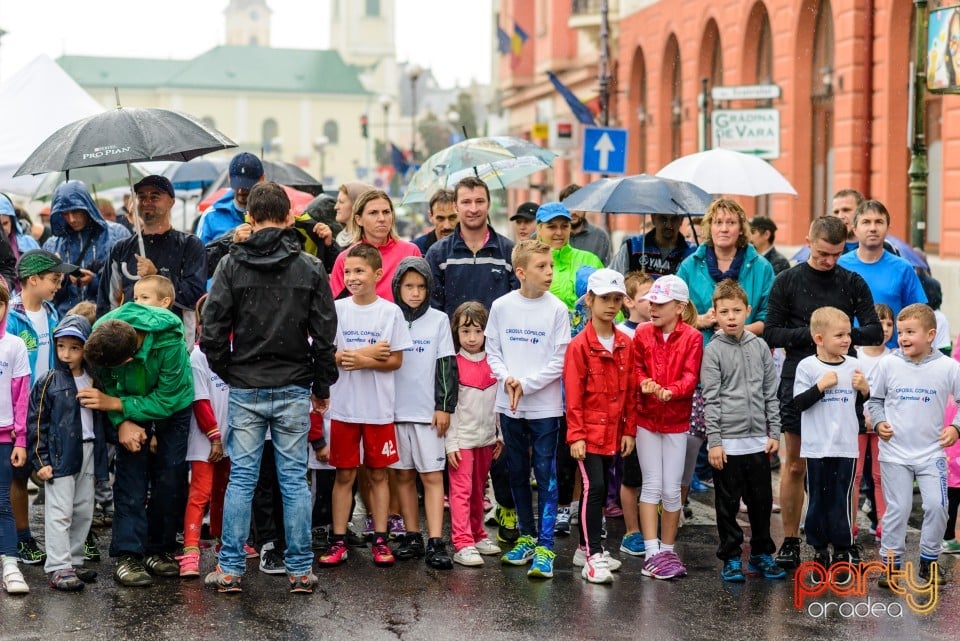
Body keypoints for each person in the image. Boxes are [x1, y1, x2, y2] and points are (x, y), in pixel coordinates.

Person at [201, 182, 337, 594]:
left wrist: (231, 372)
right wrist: (321, 384)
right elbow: (325, 334)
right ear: (289, 218)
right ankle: (299, 570)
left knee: (242, 479)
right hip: (294, 383)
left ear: (251, 219)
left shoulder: (230, 265)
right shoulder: (310, 267)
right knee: (294, 480)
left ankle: (230, 570)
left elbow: (211, 332)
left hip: (247, 384)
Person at [763, 215, 883, 569]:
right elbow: (771, 332)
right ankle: (789, 539)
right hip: (800, 376)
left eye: (836, 254)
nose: (829, 261)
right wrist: (815, 338)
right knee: (797, 464)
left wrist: (840, 339)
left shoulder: (852, 281)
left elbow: (875, 331)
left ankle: (842, 540)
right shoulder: (787, 280)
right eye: (821, 254)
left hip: (844, 381)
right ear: (808, 243)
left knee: (843, 466)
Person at [81, 301, 194, 587]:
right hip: (126, 408)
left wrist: (118, 404)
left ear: (129, 359)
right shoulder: (103, 336)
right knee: (130, 478)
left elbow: (168, 399)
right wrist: (122, 422)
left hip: (171, 407)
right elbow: (103, 385)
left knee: (169, 477)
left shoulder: (169, 340)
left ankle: (159, 547)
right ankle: (128, 554)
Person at [317, 244, 411, 569]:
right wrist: (369, 353)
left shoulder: (391, 312)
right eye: (348, 272)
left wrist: (359, 358)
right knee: (344, 475)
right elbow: (329, 354)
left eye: (359, 271)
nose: (353, 277)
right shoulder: (337, 309)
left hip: (378, 410)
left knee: (378, 475)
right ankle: (339, 539)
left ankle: (380, 538)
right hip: (343, 409)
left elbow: (396, 359)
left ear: (377, 273)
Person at [486, 239, 570, 580]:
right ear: (521, 272)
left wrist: (528, 384)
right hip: (510, 405)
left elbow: (559, 360)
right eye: (541, 267)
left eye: (551, 266)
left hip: (546, 407)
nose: (549, 272)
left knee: (546, 475)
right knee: (517, 472)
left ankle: (546, 546)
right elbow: (493, 350)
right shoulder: (502, 306)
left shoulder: (557, 310)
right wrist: (507, 379)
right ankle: (526, 537)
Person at [870, 303, 960, 586]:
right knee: (898, 508)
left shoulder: (949, 367)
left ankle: (929, 562)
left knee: (936, 506)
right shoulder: (888, 364)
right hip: (894, 453)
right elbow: (874, 401)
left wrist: (956, 427)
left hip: (931, 453)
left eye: (910, 332)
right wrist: (879, 422)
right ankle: (891, 565)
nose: (903, 338)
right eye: (901, 332)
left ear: (931, 334)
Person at [701, 279, 784, 582]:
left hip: (758, 442)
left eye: (737, 310)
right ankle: (732, 557)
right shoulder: (713, 351)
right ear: (716, 314)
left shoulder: (759, 346)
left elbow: (770, 392)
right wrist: (715, 442)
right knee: (727, 504)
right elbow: (710, 398)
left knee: (761, 502)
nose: (732, 317)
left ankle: (761, 553)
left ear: (748, 311)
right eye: (725, 311)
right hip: (728, 444)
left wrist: (774, 432)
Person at [532, 201, 602, 535]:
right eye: (551, 226)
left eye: (563, 226)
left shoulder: (587, 261)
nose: (558, 232)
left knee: (576, 439)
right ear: (539, 227)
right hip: (542, 365)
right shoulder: (532, 262)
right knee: (547, 440)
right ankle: (551, 504)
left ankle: (571, 506)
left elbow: (609, 312)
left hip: (583, 366)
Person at [564, 269, 636, 583]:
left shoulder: (625, 343)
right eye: (604, 298)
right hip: (588, 434)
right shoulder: (579, 346)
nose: (611, 305)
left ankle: (586, 546)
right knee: (594, 489)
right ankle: (593, 556)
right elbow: (573, 395)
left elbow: (632, 390)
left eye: (616, 298)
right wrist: (576, 435)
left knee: (604, 487)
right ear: (590, 300)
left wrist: (629, 430)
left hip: (614, 434)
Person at [8, 249, 79, 566]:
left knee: (52, 470)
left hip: (47, 409)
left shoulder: (52, 312)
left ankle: (63, 539)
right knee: (17, 476)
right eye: (54, 279)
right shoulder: (9, 316)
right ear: (32, 280)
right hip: (14, 412)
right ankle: (21, 538)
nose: (58, 285)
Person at [26, 314, 105, 591]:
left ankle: (73, 560)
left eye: (75, 347)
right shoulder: (48, 380)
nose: (66, 353)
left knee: (83, 509)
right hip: (60, 455)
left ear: (87, 348)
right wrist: (40, 460)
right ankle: (58, 566)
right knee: (60, 510)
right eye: (61, 346)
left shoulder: (94, 379)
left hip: (88, 449)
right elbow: (36, 422)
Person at [388, 257, 458, 569]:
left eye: (421, 286)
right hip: (394, 412)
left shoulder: (439, 320)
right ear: (397, 287)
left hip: (428, 414)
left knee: (431, 476)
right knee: (403, 475)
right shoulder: (388, 317)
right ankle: (412, 536)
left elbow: (446, 365)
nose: (415, 292)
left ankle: (435, 540)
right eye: (408, 286)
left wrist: (444, 407)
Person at [631, 275, 702, 579]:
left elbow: (690, 377)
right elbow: (634, 369)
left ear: (680, 308)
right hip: (646, 419)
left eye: (661, 303)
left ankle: (667, 551)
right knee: (651, 484)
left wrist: (671, 390)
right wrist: (643, 383)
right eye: (651, 302)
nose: (653, 308)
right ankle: (651, 551)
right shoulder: (643, 333)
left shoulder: (693, 337)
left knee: (672, 489)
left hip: (675, 421)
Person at [792, 306, 869, 584]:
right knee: (817, 501)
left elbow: (859, 406)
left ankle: (841, 550)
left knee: (840, 499)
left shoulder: (853, 365)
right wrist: (820, 387)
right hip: (816, 447)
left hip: (845, 446)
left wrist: (864, 390)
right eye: (839, 335)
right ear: (819, 338)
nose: (846, 340)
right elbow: (798, 403)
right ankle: (819, 548)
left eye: (848, 334)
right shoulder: (808, 366)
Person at [97, 175, 206, 335]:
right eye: (142, 197)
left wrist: (157, 275)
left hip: (174, 343)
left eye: (154, 197)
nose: (147, 202)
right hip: (131, 343)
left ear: (171, 202)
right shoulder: (121, 249)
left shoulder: (190, 245)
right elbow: (107, 303)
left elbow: (194, 296)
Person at [177, 295, 230, 578]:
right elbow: (200, 400)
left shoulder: (236, 351)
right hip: (206, 438)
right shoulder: (198, 355)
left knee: (224, 490)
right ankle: (190, 551)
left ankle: (224, 542)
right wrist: (215, 437)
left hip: (231, 435)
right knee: (200, 493)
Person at [445, 301, 502, 567]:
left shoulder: (495, 363)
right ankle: (462, 541)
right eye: (465, 332)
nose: (471, 338)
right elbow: (451, 409)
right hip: (462, 441)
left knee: (479, 489)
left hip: (487, 440)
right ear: (456, 333)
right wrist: (451, 443)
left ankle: (478, 534)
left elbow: (499, 404)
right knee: (461, 490)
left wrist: (499, 435)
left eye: (478, 332)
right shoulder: (453, 364)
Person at [678, 198, 775, 344]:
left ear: (741, 229)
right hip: (699, 353)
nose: (724, 229)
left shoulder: (762, 267)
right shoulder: (690, 266)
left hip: (746, 353)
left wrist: (741, 329)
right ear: (710, 227)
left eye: (731, 222)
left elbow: (770, 318)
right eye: (718, 222)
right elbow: (673, 312)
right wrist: (700, 320)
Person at [426, 176, 519, 317]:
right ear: (455, 206)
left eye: (480, 201)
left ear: (489, 204)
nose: (473, 209)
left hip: (497, 338)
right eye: (466, 202)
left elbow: (517, 305)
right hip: (451, 338)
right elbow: (433, 310)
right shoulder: (437, 254)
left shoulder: (510, 252)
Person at [838, 199, 927, 348]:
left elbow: (919, 315)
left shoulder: (903, 267)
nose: (873, 228)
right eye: (866, 222)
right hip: (849, 355)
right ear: (855, 229)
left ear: (887, 228)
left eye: (879, 222)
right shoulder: (840, 266)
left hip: (893, 356)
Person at [43, 181, 127, 317]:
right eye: (65, 213)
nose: (71, 219)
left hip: (106, 319)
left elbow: (127, 281)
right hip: (66, 323)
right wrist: (61, 279)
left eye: (76, 211)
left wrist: (95, 281)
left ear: (87, 207)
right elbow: (44, 294)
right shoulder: (52, 244)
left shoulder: (117, 234)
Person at [616, 271, 653, 557]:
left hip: (655, 415)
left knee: (654, 477)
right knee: (630, 477)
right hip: (630, 416)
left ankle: (654, 528)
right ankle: (631, 530)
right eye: (645, 297)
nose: (652, 302)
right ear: (627, 301)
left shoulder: (658, 329)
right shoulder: (621, 333)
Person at [328, 190, 421, 303]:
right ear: (359, 220)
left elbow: (421, 297)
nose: (382, 218)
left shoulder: (410, 252)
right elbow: (333, 305)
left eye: (386, 212)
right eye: (373, 213)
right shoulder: (345, 258)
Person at [0, 279, 31, 595]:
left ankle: (10, 565)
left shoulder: (14, 345)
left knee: (2, 503)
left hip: (4, 437)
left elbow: (21, 395)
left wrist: (20, 439)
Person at [855, 303, 893, 542]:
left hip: (883, 427)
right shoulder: (855, 355)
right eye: (881, 323)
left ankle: (884, 523)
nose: (886, 328)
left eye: (890, 324)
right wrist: (863, 417)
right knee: (855, 475)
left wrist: (879, 419)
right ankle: (849, 524)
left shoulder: (894, 358)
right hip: (856, 424)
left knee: (881, 476)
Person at [198, 152, 265, 245]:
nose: (241, 190)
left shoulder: (273, 216)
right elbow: (200, 257)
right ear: (229, 177)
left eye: (247, 185)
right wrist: (230, 243)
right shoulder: (210, 216)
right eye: (237, 184)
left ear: (262, 179)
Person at [610, 213, 695, 277]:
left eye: (674, 219)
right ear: (653, 218)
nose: (669, 225)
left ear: (681, 220)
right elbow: (612, 279)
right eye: (663, 218)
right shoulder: (632, 247)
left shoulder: (693, 253)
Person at [559, 183, 612, 265]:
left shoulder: (600, 236)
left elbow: (606, 271)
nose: (573, 212)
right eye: (569, 206)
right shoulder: (552, 235)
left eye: (578, 205)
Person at [412, 189, 457, 255]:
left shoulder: (472, 247)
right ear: (430, 216)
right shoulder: (416, 249)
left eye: (452, 218)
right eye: (440, 218)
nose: (446, 226)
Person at [332, 181, 374, 249]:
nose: (336, 207)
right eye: (337, 202)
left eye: (341, 202)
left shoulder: (367, 243)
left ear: (356, 205)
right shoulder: (339, 237)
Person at [0, 195, 40, 264]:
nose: (3, 229)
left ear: (12, 221)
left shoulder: (29, 242)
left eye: (5, 223)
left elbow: (43, 271)